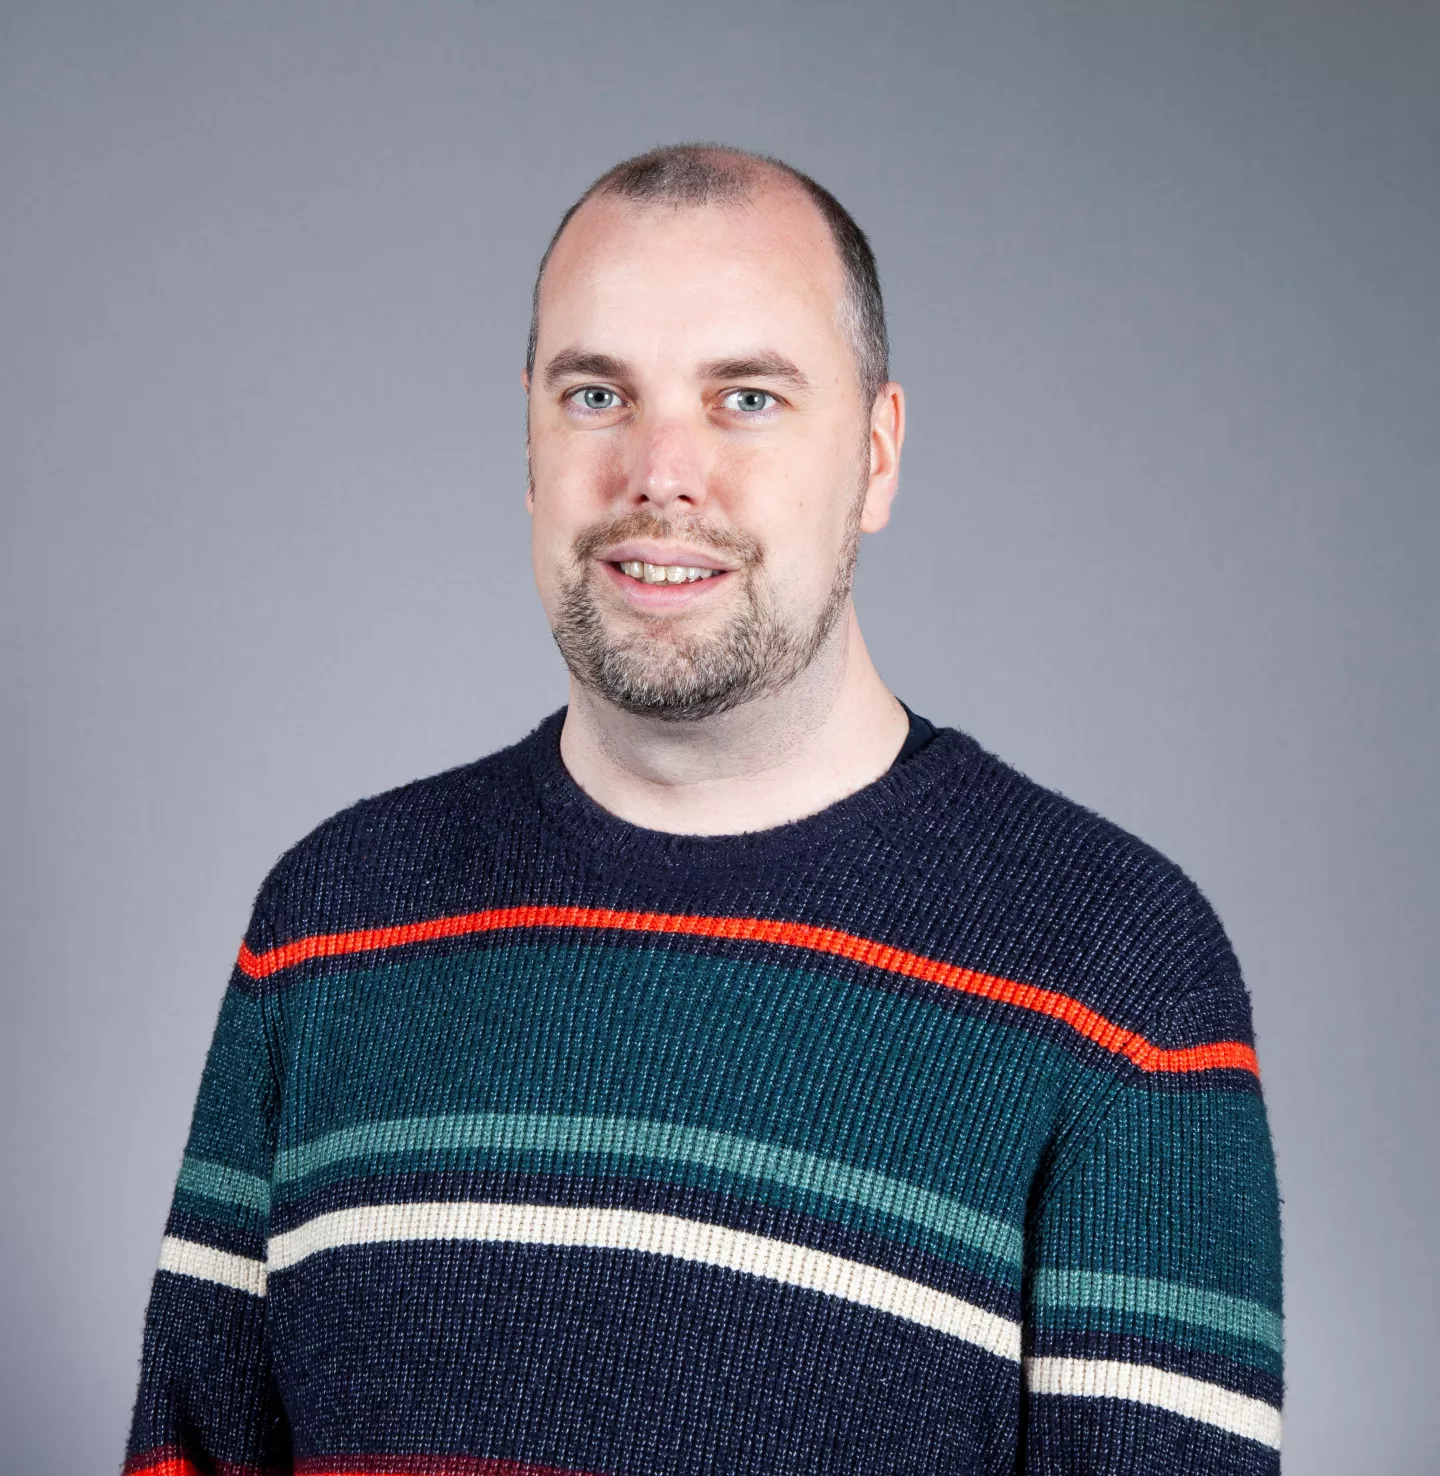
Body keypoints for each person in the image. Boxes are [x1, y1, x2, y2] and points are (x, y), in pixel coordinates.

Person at [124, 145, 1283, 1476]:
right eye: (598, 392)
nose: (660, 472)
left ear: (878, 454)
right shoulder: (330, 924)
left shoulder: (1117, 973)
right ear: (530, 438)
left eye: (745, 397)